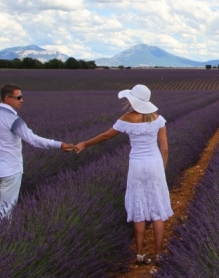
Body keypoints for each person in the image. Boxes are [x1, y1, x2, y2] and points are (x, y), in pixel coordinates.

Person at [74, 84, 172, 265]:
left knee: (139, 207)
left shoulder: (127, 118)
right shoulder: (158, 119)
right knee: (157, 208)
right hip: (155, 164)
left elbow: (105, 136)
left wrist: (84, 144)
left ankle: (140, 253)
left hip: (137, 165)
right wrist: (162, 169)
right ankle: (159, 254)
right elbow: (164, 149)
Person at [0, 84, 74, 219]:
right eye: (18, 97)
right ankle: (1, 239)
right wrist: (59, 145)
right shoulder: (13, 119)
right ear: (7, 98)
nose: (21, 100)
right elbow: (32, 139)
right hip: (10, 170)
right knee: (6, 210)